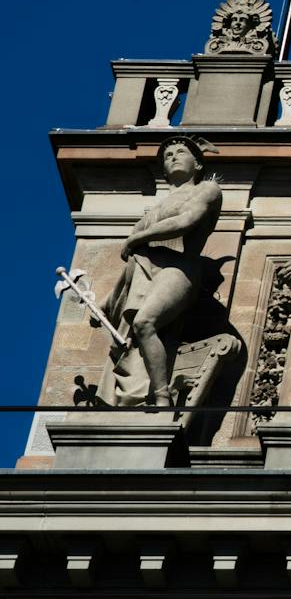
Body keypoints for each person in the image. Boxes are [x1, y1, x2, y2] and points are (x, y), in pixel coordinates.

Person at [104, 136, 223, 406]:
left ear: (198, 163)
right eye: (168, 155)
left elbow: (186, 221)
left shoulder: (207, 189)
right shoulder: (154, 209)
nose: (173, 157)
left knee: (145, 323)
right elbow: (135, 261)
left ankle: (161, 397)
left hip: (178, 266)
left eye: (181, 152)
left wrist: (136, 238)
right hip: (144, 270)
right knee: (133, 333)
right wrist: (109, 301)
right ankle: (146, 394)